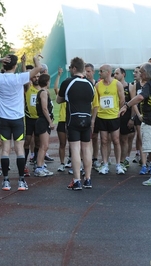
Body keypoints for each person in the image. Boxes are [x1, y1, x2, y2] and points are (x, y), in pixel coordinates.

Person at [0, 54, 42, 191]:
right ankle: (21, 181)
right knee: (19, 149)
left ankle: (6, 181)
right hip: (17, 119)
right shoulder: (20, 77)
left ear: (4, 65)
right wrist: (35, 59)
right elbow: (38, 68)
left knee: (5, 149)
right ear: (15, 66)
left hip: (4, 119)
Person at [57, 57, 94, 190]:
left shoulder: (68, 82)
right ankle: (88, 179)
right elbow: (91, 99)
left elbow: (59, 100)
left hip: (73, 118)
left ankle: (77, 180)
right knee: (86, 149)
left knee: (75, 149)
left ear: (74, 68)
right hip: (87, 118)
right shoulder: (90, 83)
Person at [92, 65, 126, 175]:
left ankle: (118, 164)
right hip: (102, 117)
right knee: (104, 140)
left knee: (116, 140)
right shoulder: (97, 85)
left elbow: (122, 100)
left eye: (101, 71)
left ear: (108, 72)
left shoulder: (117, 84)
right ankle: (105, 164)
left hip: (114, 117)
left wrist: (118, 111)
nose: (99, 73)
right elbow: (96, 102)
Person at [114, 67, 135, 169]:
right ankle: (118, 160)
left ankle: (124, 159)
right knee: (116, 139)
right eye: (114, 73)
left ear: (123, 74)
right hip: (115, 115)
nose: (115, 75)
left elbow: (134, 103)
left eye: (117, 73)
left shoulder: (130, 86)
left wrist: (132, 118)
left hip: (126, 116)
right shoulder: (113, 86)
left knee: (125, 139)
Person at [34, 74, 55, 177]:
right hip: (43, 121)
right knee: (43, 146)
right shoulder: (43, 93)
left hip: (44, 121)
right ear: (47, 82)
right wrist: (50, 122)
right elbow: (44, 108)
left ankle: (41, 166)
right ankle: (39, 167)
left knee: (44, 146)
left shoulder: (44, 92)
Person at [85, 63, 101, 170]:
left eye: (89, 71)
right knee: (85, 140)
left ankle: (95, 159)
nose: (87, 74)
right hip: (85, 115)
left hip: (97, 115)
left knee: (95, 138)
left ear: (93, 72)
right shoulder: (82, 83)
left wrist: (94, 119)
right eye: (85, 71)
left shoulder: (97, 84)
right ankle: (86, 160)